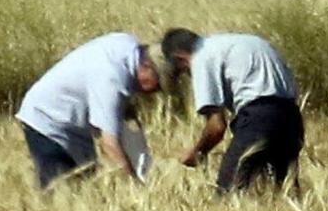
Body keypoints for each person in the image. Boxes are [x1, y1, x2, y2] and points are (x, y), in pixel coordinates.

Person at [161, 28, 304, 193]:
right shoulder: (242, 41)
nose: (188, 75)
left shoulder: (201, 58)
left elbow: (216, 126)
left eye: (183, 71)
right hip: (292, 116)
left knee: (229, 191)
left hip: (258, 119)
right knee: (285, 190)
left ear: (180, 59)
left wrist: (198, 152)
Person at [16, 32, 162, 189]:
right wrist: (134, 185)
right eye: (158, 83)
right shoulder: (111, 79)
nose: (155, 91)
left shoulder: (128, 45)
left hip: (74, 126)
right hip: (47, 119)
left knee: (84, 191)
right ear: (146, 66)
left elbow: (123, 113)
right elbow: (110, 144)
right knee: (59, 194)